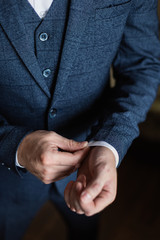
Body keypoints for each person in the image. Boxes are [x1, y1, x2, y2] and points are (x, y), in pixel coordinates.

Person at [0, 0, 160, 239]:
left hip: (90, 165)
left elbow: (141, 66)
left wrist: (109, 145)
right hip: (5, 177)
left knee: (85, 232)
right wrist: (14, 144)